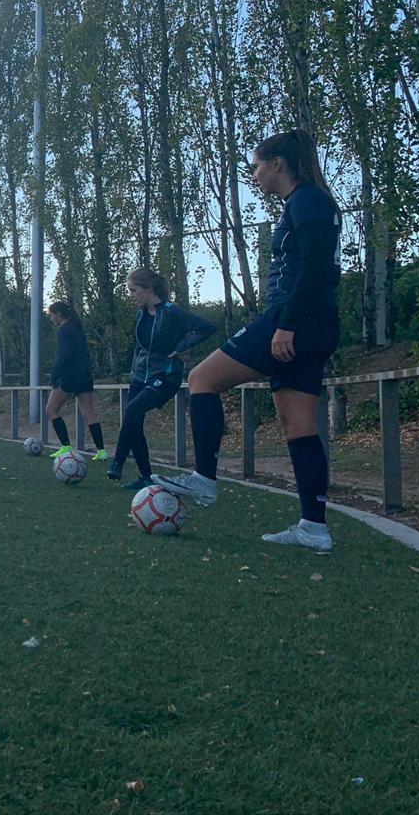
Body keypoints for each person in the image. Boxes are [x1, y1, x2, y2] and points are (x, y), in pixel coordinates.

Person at [155, 130, 342, 550]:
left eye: (257, 166)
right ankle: (314, 527)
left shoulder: (307, 200)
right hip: (316, 324)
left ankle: (203, 479)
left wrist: (286, 324)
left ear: (278, 163)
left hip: (293, 319)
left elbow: (315, 270)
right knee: (298, 425)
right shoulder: (311, 201)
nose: (254, 175)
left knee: (202, 379)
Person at [106, 268, 217, 491]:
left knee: (131, 411)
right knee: (133, 421)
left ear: (149, 289)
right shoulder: (141, 315)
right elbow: (140, 346)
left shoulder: (172, 312)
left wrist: (181, 348)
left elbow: (207, 327)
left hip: (164, 376)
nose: (131, 295)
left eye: (133, 290)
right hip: (140, 376)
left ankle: (117, 461)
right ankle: (145, 476)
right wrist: (133, 370)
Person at [44, 301, 107, 462]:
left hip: (69, 376)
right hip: (84, 375)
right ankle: (101, 451)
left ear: (58, 314)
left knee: (51, 410)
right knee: (89, 413)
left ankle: (66, 446)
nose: (51, 318)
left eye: (51, 315)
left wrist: (54, 376)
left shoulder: (64, 330)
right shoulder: (77, 328)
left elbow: (64, 356)